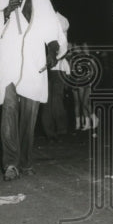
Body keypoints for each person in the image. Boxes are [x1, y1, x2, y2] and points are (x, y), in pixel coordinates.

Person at [0, 0, 65, 180]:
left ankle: (25, 161)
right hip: (8, 61)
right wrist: (7, 11)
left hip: (33, 61)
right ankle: (11, 163)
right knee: (9, 108)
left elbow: (51, 27)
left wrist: (52, 49)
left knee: (29, 114)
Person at [41, 10, 72, 141]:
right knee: (46, 100)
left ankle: (60, 130)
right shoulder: (41, 17)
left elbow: (63, 47)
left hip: (57, 67)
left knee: (56, 100)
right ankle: (51, 132)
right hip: (45, 67)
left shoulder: (62, 20)